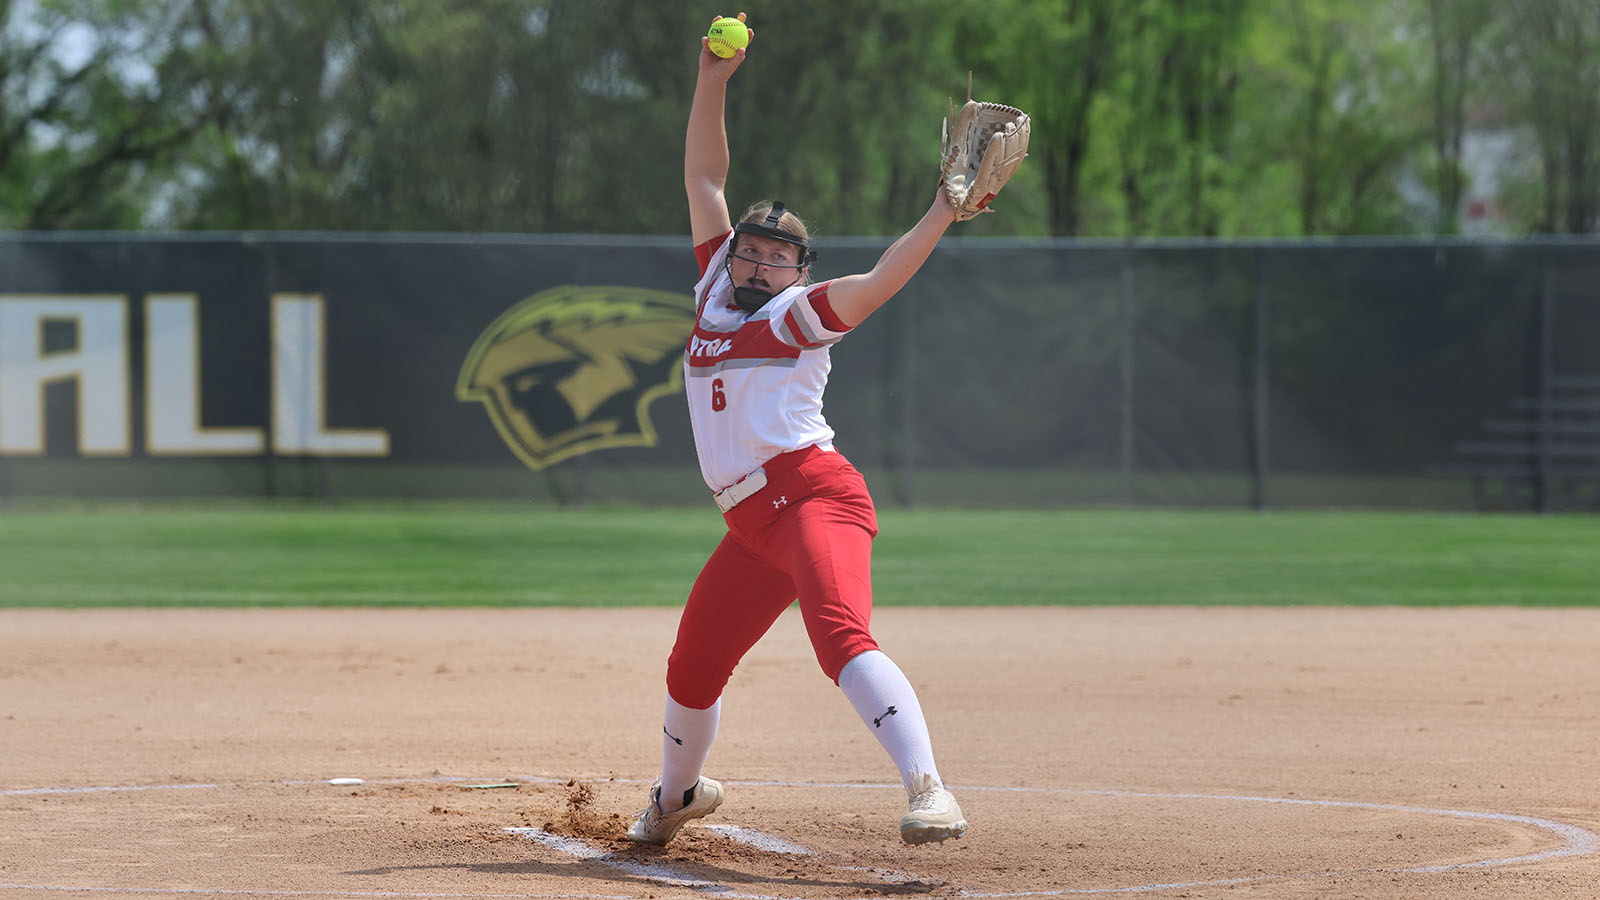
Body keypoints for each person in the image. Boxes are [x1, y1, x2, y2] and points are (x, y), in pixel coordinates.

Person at [626, 12, 968, 848]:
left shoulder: (796, 314)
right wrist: (712, 79)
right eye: (750, 249)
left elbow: (882, 280)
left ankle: (930, 790)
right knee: (692, 668)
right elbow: (706, 175)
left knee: (840, 636)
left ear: (798, 271)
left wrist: (940, 213)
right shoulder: (714, 284)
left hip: (813, 496)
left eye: (778, 255)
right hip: (748, 524)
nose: (757, 262)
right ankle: (676, 799)